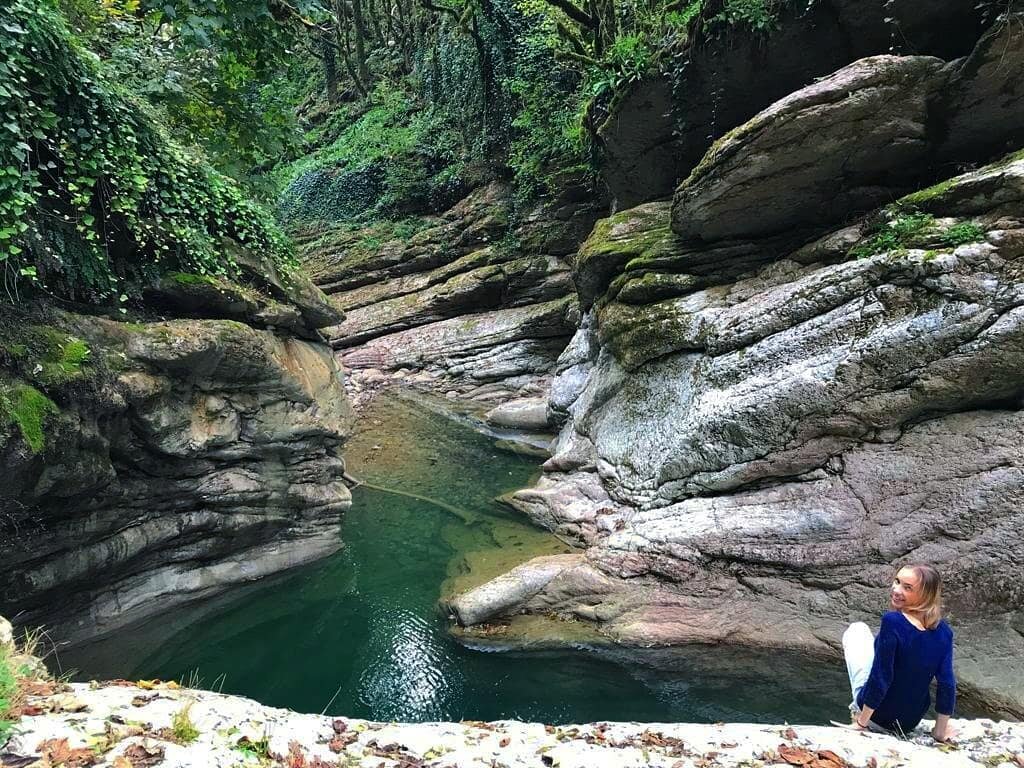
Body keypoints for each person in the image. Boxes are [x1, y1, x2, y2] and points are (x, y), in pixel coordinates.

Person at [841, 563, 956, 741]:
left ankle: (859, 712)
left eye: (907, 588)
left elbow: (882, 676)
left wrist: (862, 724)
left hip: (876, 716)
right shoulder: (944, 633)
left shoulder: (893, 621)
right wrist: (939, 732)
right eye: (897, 581)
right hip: (908, 722)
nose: (896, 589)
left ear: (925, 595)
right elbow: (947, 683)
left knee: (857, 630)